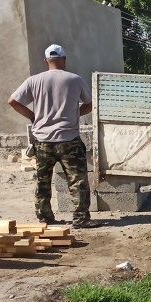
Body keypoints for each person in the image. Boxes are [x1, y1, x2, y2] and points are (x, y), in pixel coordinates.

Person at [8, 44, 99, 228]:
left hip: (42, 141)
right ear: (64, 60)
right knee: (77, 181)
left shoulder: (33, 80)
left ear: (46, 61)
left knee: (43, 181)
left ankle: (45, 218)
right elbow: (90, 104)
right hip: (69, 139)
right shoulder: (75, 79)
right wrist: (75, 114)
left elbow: (13, 101)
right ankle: (81, 219)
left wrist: (33, 116)